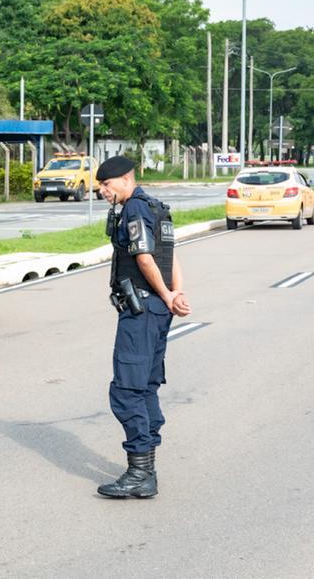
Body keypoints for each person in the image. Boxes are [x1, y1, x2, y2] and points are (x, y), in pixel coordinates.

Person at [95, 156, 191, 499]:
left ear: (124, 179)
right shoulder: (156, 207)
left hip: (142, 311)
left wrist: (166, 294)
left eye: (106, 185)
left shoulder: (135, 209)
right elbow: (172, 254)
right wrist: (175, 295)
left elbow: (146, 257)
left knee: (127, 390)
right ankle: (145, 469)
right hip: (158, 310)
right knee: (146, 387)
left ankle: (139, 472)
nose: (102, 192)